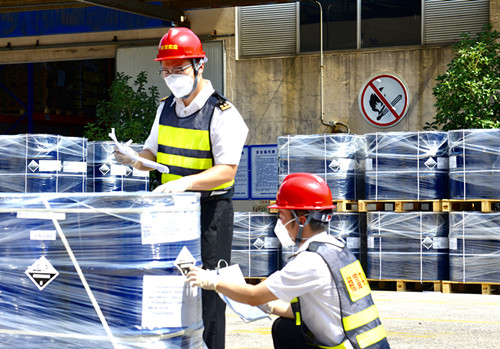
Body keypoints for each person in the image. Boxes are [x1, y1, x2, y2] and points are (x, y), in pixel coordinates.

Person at [114, 27, 248, 349]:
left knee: (209, 292)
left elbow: (227, 169)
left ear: (199, 66)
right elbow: (152, 154)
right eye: (166, 70)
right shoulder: (165, 109)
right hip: (172, 214)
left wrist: (187, 184)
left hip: (210, 215)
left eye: (179, 69)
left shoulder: (221, 113)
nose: (172, 76)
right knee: (170, 287)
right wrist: (132, 159)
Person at [187, 173, 390, 349]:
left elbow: (252, 296)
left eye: (282, 215)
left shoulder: (310, 261)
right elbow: (319, 310)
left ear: (302, 220)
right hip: (366, 344)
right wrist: (270, 307)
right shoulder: (336, 249)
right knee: (285, 328)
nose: (280, 223)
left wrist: (212, 280)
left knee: (285, 330)